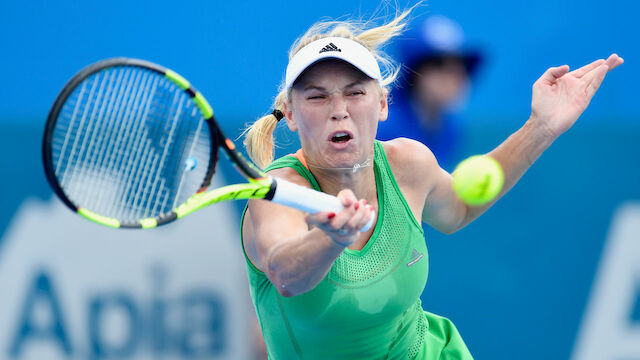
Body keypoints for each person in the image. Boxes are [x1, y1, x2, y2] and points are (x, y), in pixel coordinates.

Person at [240, 8, 623, 359]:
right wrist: (328, 239)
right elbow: (284, 273)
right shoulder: (277, 190)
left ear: (383, 104)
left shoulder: (408, 163)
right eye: (317, 97)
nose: (339, 109)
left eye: (355, 92)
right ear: (290, 114)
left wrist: (542, 126)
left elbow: (459, 208)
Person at [377, 15, 483, 171]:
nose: (457, 78)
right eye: (440, 65)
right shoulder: (382, 126)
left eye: (462, 66)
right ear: (414, 73)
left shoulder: (451, 128)